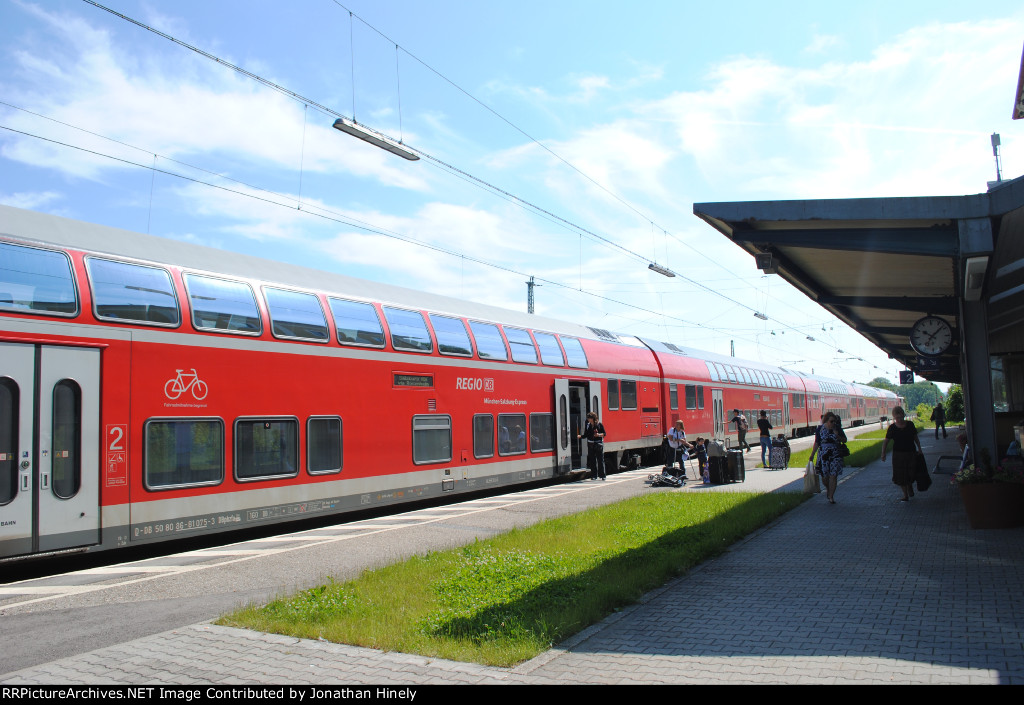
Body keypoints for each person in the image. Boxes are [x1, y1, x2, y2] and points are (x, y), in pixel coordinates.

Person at [881, 405, 924, 502]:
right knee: (900, 475)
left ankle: (909, 485)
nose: (899, 419)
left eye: (901, 417)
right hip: (898, 454)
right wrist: (883, 453)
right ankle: (905, 495)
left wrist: (920, 449)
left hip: (911, 453)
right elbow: (886, 441)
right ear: (894, 417)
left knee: (911, 472)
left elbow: (915, 438)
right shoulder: (892, 428)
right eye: (897, 418)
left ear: (903, 415)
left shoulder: (910, 425)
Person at [810, 412, 846, 504]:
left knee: (833, 475)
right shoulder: (820, 429)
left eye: (835, 421)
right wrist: (812, 455)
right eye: (831, 421)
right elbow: (817, 442)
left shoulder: (837, 428)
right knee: (824, 476)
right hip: (823, 455)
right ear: (826, 421)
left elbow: (844, 440)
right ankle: (828, 488)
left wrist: (837, 435)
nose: (833, 423)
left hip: (835, 454)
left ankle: (831, 496)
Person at [578, 412, 607, 481]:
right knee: (592, 460)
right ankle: (594, 475)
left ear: (593, 418)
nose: (588, 419)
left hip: (598, 444)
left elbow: (604, 434)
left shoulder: (599, 424)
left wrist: (598, 435)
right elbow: (586, 434)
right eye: (588, 418)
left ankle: (602, 475)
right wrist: (581, 436)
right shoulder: (588, 425)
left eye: (589, 418)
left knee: (600, 460)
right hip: (590, 444)